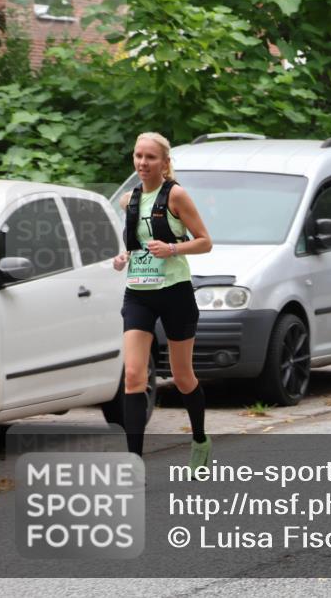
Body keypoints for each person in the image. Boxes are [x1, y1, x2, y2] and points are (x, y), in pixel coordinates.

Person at [113, 132, 213, 468]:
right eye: (138, 156)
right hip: (139, 293)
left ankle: (199, 439)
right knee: (133, 375)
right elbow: (132, 244)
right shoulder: (129, 199)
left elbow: (205, 242)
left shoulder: (176, 196)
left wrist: (173, 248)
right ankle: (134, 463)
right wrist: (121, 257)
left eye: (150, 157)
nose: (143, 163)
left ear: (165, 163)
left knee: (183, 376)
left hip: (175, 292)